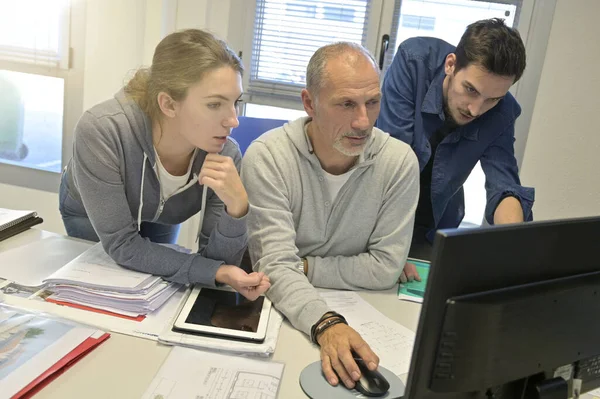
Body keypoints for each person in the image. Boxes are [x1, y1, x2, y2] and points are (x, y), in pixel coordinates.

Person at [241, 43, 419, 389]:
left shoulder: (399, 163)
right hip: (285, 314)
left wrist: (303, 266)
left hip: (369, 314)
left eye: (373, 102)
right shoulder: (268, 157)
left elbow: (385, 268)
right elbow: (274, 266)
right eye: (346, 104)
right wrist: (326, 324)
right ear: (310, 103)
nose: (363, 121)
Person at [59, 29, 269, 300]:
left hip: (165, 213)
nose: (233, 120)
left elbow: (217, 266)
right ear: (169, 104)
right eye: (215, 104)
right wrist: (213, 271)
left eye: (235, 102)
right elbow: (123, 246)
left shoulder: (225, 153)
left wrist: (238, 209)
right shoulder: (102, 130)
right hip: (89, 212)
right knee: (100, 298)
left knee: (158, 288)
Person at [377, 18, 535, 273]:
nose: (476, 109)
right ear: (451, 64)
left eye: (492, 99)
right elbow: (392, 165)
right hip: (381, 214)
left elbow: (504, 185)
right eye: (470, 90)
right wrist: (390, 248)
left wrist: (513, 249)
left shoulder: (504, 112)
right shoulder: (413, 61)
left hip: (436, 224)